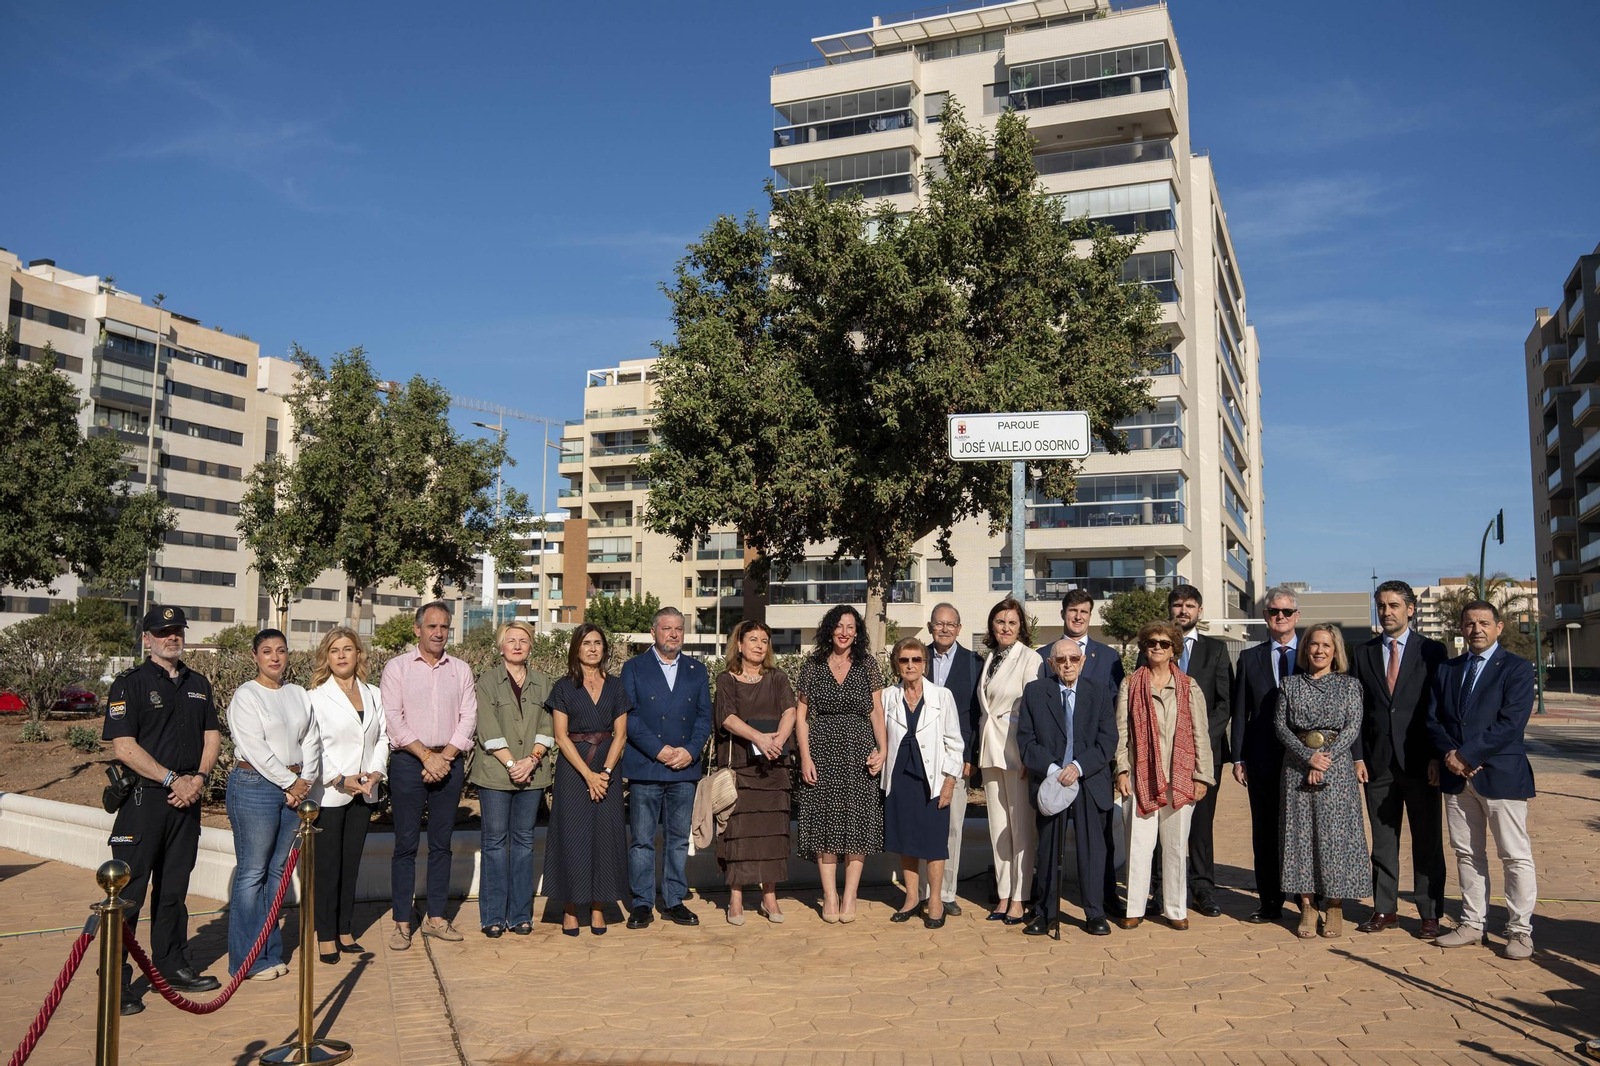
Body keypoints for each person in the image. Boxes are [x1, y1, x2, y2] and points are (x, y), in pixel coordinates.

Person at [103, 605, 223, 1014]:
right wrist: (173, 779)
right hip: (145, 801)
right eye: (163, 631)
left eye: (177, 630)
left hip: (187, 799)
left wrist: (199, 780)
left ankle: (171, 964)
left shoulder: (198, 683)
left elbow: (212, 736)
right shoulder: (129, 684)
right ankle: (115, 981)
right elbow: (123, 747)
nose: (172, 637)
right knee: (129, 894)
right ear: (147, 639)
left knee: (174, 891)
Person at [1427, 600, 1538, 958]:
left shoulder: (1517, 669)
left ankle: (1520, 930)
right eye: (1470, 623)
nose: (1476, 629)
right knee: (1467, 853)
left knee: (1514, 855)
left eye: (1484, 623)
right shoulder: (1447, 669)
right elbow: (1433, 719)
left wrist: (1468, 755)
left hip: (1501, 776)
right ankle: (1473, 923)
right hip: (1457, 778)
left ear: (1498, 627)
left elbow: (1511, 723)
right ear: (1461, 628)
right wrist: (1452, 756)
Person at [1352, 581, 1449, 938]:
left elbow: (1440, 708)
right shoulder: (1362, 653)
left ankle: (1429, 913)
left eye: (1394, 605)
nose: (1386, 612)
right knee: (1383, 840)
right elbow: (1357, 710)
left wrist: (1438, 756)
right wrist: (1358, 756)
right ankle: (1384, 909)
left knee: (1426, 841)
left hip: (1423, 764)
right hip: (1377, 764)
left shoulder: (1433, 652)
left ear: (1410, 609)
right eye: (1381, 606)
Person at [381, 601, 477, 949]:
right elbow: (393, 718)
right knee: (405, 844)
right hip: (409, 761)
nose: (439, 633)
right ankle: (402, 923)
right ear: (417, 629)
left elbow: (469, 717)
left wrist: (445, 756)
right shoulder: (397, 668)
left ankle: (436, 918)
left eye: (444, 627)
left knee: (442, 844)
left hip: (449, 762)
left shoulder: (461, 670)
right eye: (432, 626)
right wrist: (426, 756)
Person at [225, 628, 319, 980]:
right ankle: (246, 960)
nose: (275, 657)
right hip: (255, 785)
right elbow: (255, 748)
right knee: (253, 873)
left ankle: (269, 952)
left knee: (277, 873)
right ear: (255, 656)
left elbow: (311, 738)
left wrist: (304, 781)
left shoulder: (297, 694)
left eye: (281, 650)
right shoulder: (246, 696)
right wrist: (290, 782)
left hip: (293, 787)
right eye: (267, 651)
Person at [1114, 620, 1213, 930]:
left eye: (1164, 643)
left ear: (1174, 649)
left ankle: (1174, 909)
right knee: (1139, 846)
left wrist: (1202, 776)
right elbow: (1121, 733)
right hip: (1141, 777)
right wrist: (1122, 770)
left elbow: (1201, 734)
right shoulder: (1130, 684)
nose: (1157, 647)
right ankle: (1135, 907)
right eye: (1151, 642)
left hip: (1180, 778)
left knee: (1174, 846)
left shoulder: (1188, 685)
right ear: (1144, 647)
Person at [1275, 624, 1371, 938]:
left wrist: (1323, 759)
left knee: (1336, 838)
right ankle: (1306, 906)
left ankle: (1334, 906)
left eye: (1326, 645)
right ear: (1306, 649)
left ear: (1335, 651)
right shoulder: (1289, 684)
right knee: (1300, 839)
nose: (1319, 650)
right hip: (1296, 770)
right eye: (1314, 644)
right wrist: (1308, 757)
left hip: (1337, 771)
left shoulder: (1350, 685)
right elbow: (1281, 726)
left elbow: (1352, 727)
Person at [1143, 584, 1233, 919]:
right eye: (1178, 605)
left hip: (1204, 755)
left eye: (1190, 605)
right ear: (1170, 609)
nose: (1184, 611)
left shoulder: (1216, 651)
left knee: (1200, 825)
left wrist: (1192, 740)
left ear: (1199, 610)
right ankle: (1159, 889)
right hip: (1158, 755)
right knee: (1156, 820)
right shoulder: (1153, 647)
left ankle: (1202, 889)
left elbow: (1225, 703)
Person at [620, 606, 712, 929]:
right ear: (653, 632)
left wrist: (690, 750)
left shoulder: (697, 670)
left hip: (684, 768)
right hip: (647, 764)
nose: (673, 634)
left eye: (678, 629)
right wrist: (659, 750)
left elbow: (704, 718)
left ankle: (674, 899)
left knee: (677, 839)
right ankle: (642, 903)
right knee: (642, 839)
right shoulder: (633, 668)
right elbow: (629, 717)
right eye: (666, 628)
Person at [795, 604, 887, 923]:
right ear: (829, 629)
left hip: (859, 751)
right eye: (839, 626)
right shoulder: (813, 665)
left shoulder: (867, 665)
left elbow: (876, 712)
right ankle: (829, 895)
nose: (845, 632)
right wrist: (805, 756)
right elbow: (801, 716)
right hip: (821, 751)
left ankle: (850, 895)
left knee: (856, 824)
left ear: (857, 632)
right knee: (825, 824)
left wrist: (883, 749)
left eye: (851, 627)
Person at [1020, 638, 1117, 937]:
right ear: (1051, 664)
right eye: (1061, 660)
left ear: (1083, 661)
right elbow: (1025, 740)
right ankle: (1045, 912)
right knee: (1048, 850)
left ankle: (1095, 912)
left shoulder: (1099, 693)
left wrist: (1078, 767)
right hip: (1052, 782)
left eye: (1073, 659)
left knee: (1093, 850)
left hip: (1089, 780)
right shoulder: (1035, 693)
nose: (1068, 665)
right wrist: (1054, 770)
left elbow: (1107, 741)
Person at [470, 620, 555, 938]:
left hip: (532, 775)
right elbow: (487, 727)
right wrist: (511, 764)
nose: (517, 645)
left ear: (531, 645)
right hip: (495, 774)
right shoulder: (487, 681)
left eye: (524, 640)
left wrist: (531, 760)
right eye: (511, 640)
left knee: (523, 843)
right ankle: (492, 916)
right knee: (494, 843)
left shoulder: (544, 682)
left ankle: (520, 915)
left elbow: (549, 723)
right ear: (500, 646)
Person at [543, 624, 630, 935]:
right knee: (572, 836)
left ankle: (597, 906)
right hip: (573, 772)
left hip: (608, 771)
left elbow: (620, 735)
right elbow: (561, 737)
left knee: (605, 838)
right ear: (576, 649)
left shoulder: (617, 686)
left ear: (604, 649)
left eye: (598, 643)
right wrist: (588, 775)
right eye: (586, 643)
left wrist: (604, 774)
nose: (593, 648)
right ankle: (569, 907)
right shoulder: (563, 687)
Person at [307, 626, 387, 964]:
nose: (342, 655)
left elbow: (383, 736)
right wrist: (341, 778)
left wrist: (377, 772)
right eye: (335, 650)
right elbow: (312, 746)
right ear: (327, 656)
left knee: (350, 865)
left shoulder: (374, 693)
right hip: (330, 792)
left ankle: (344, 929)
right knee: (327, 867)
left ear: (359, 655)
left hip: (364, 791)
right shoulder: (314, 697)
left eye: (348, 649)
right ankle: (325, 934)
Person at [712, 620, 797, 925]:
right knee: (739, 834)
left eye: (764, 640)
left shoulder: (777, 678)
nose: (760, 645)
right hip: (740, 769)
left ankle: (769, 897)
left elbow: (790, 710)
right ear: (739, 644)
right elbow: (727, 718)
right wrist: (760, 738)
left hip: (774, 768)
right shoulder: (726, 680)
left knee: (772, 835)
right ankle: (735, 897)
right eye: (753, 640)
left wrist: (777, 738)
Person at [880, 637, 964, 929]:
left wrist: (950, 782)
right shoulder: (888, 696)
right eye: (904, 660)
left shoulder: (942, 696)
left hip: (933, 778)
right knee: (906, 839)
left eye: (916, 659)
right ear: (896, 664)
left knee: (933, 842)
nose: (910, 665)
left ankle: (936, 900)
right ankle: (912, 898)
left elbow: (955, 743)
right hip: (899, 775)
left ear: (925, 664)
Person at [1230, 585, 1300, 923]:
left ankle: (1307, 899)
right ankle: (1271, 901)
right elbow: (1240, 709)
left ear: (1296, 616)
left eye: (1286, 612)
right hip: (1261, 760)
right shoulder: (1250, 657)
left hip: (1304, 761)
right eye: (1275, 612)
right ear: (1265, 616)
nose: (1281, 617)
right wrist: (1238, 757)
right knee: (1266, 833)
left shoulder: (1313, 654)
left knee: (1302, 831)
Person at [978, 597, 1044, 924]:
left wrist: (1030, 756)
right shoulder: (989, 657)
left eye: (1012, 623)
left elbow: (1034, 710)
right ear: (993, 625)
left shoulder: (1030, 658)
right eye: (1000, 622)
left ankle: (1020, 896)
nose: (1005, 628)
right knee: (998, 827)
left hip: (1016, 752)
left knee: (1021, 829)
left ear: (1021, 628)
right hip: (990, 750)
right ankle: (1004, 895)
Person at [921, 603, 981, 917]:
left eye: (951, 624)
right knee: (922, 825)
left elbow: (977, 715)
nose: (944, 629)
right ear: (931, 626)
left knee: (953, 826)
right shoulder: (916, 657)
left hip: (957, 758)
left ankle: (945, 893)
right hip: (919, 758)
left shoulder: (974, 662)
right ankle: (921, 893)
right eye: (939, 624)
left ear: (959, 628)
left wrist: (970, 756)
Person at [1038, 589, 1125, 697]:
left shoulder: (1109, 657)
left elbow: (1116, 700)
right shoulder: (1042, 656)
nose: (1078, 617)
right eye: (1073, 610)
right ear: (1062, 614)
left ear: (1090, 616)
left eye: (1084, 612)